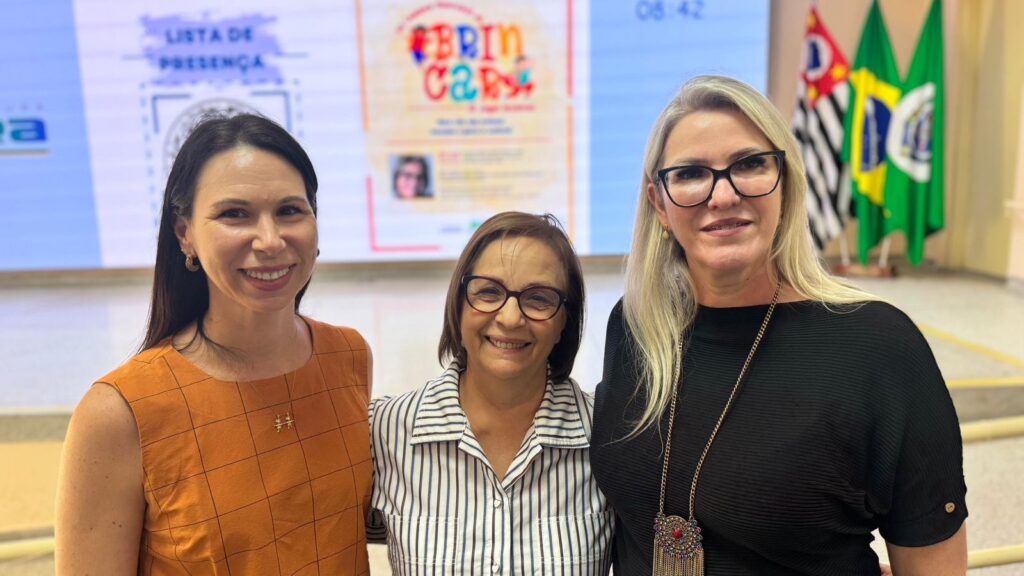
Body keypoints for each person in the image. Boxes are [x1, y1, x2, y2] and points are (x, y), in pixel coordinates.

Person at [590, 76, 968, 575]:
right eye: (689, 174)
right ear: (659, 204)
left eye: (749, 164)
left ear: (785, 183)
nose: (721, 196)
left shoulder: (879, 347)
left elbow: (931, 561)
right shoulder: (636, 325)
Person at [55, 114, 373, 575]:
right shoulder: (120, 412)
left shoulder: (348, 356)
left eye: (289, 210)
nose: (269, 240)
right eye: (234, 214)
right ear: (185, 233)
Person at [368, 212, 613, 574]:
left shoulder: (610, 438)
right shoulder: (384, 433)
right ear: (458, 303)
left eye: (539, 299)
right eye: (489, 292)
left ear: (565, 321)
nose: (511, 318)